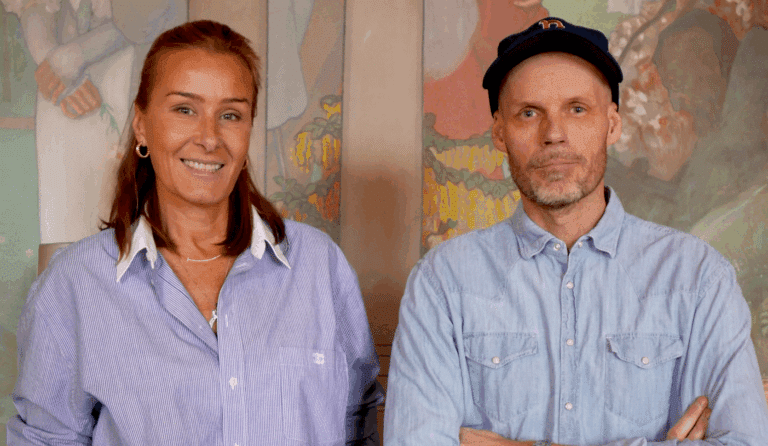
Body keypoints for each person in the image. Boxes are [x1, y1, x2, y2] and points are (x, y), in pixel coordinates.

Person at [384, 17, 768, 445]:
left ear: (612, 125)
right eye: (529, 113)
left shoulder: (698, 278)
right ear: (499, 132)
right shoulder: (442, 284)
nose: (554, 135)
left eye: (577, 109)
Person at [8, 20, 383, 445]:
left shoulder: (320, 266)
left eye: (230, 115)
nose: (209, 138)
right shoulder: (75, 284)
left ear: (248, 131)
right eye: (185, 110)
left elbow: (359, 427)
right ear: (141, 124)